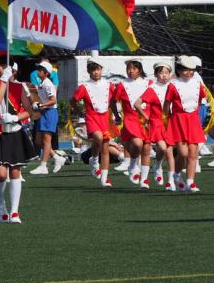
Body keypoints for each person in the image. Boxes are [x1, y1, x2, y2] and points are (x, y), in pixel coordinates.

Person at [0, 52, 38, 224]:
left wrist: (15, 117)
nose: (4, 68)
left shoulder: (19, 87)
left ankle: (14, 211)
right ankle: (0, 204)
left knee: (15, 170)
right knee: (1, 174)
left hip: (14, 130)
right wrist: (3, 81)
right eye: (0, 65)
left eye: (6, 65)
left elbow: (29, 111)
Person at [165, 55, 208, 192]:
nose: (189, 72)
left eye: (191, 70)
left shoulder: (197, 84)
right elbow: (166, 105)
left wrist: (195, 116)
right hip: (178, 120)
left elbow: (200, 100)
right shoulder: (173, 85)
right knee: (183, 153)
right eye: (185, 69)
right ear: (178, 70)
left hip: (193, 120)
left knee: (193, 153)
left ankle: (190, 182)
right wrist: (168, 120)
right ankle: (177, 174)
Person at [70, 57, 115, 187]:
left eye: (98, 69)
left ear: (101, 69)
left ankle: (104, 179)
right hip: (92, 117)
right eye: (93, 70)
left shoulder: (109, 85)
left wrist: (117, 115)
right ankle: (94, 159)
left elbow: (115, 100)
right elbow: (73, 101)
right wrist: (79, 112)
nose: (96, 72)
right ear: (88, 71)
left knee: (105, 148)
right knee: (98, 137)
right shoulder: (84, 87)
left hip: (105, 118)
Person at [135, 61, 176, 190]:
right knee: (163, 148)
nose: (164, 75)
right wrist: (146, 117)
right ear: (156, 74)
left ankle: (170, 182)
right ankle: (157, 166)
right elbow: (137, 104)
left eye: (166, 73)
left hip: (170, 122)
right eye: (161, 73)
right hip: (157, 123)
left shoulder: (173, 86)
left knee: (169, 151)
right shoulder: (152, 89)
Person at [112, 58, 151, 186]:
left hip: (146, 119)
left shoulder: (149, 83)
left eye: (134, 68)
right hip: (131, 119)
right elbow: (113, 101)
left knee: (146, 149)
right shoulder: (122, 85)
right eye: (128, 68)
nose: (130, 71)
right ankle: (133, 165)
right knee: (138, 144)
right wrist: (117, 116)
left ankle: (144, 180)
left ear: (140, 70)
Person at [30, 60, 64, 175]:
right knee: (38, 140)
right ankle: (57, 157)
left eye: (40, 69)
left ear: (46, 72)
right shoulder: (43, 83)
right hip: (45, 112)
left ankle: (43, 166)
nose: (38, 71)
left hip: (50, 112)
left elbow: (53, 100)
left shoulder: (47, 84)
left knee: (46, 140)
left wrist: (41, 105)